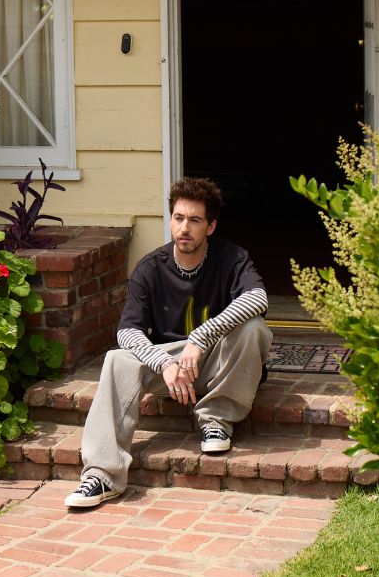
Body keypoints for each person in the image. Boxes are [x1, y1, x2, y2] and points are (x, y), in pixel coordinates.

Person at [64, 177, 272, 508]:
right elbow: (127, 332)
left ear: (211, 226)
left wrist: (201, 338)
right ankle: (103, 474)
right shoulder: (150, 268)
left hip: (216, 361)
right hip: (170, 370)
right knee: (117, 359)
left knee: (254, 329)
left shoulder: (232, 258)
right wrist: (165, 362)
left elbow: (258, 298)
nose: (184, 228)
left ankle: (216, 421)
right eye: (178, 218)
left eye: (195, 220)